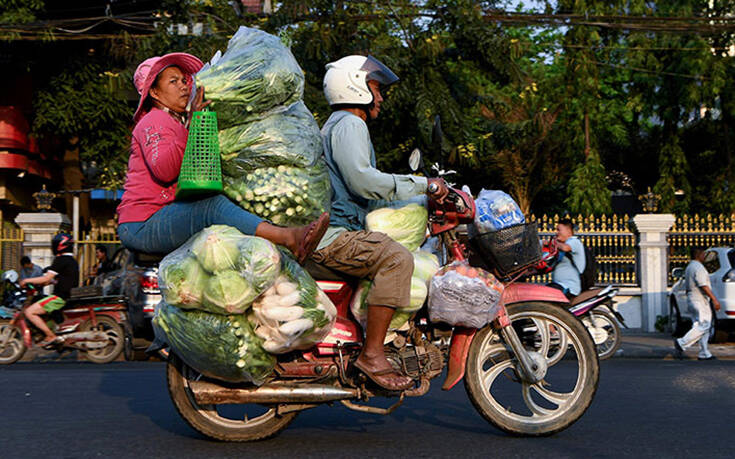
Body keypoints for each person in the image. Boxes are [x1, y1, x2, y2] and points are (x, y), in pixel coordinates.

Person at [309, 55, 448, 391]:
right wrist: (422, 185)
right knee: (396, 257)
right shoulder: (349, 124)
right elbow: (363, 181)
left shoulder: (339, 124)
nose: (381, 96)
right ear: (355, 86)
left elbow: (365, 190)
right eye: (376, 88)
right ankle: (372, 354)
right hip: (333, 236)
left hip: (331, 231)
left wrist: (409, 199)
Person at [116, 53, 329, 263]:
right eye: (173, 82)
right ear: (154, 92)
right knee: (211, 207)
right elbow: (165, 169)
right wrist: (192, 124)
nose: (183, 86)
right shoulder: (154, 121)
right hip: (142, 224)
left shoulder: (177, 121)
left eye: (184, 80)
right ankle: (289, 238)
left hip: (165, 215)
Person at [19, 233, 80, 347]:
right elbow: (51, 280)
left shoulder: (61, 260)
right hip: (66, 295)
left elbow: (46, 277)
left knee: (29, 312)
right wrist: (43, 284)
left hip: (59, 297)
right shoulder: (70, 260)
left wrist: (27, 280)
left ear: (60, 245)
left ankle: (50, 335)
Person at [673, 247, 721, 360]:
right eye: (703, 254)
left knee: (699, 326)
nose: (705, 256)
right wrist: (714, 299)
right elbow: (703, 285)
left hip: (692, 298)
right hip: (699, 299)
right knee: (704, 324)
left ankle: (704, 353)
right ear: (698, 254)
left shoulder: (690, 266)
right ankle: (682, 343)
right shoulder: (698, 267)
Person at [548, 218, 585, 299]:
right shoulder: (561, 248)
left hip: (568, 288)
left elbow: (566, 248)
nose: (556, 233)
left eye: (559, 230)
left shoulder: (574, 241)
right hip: (560, 286)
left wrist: (551, 243)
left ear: (568, 231)